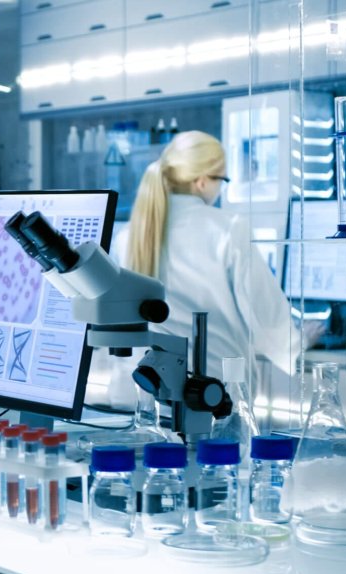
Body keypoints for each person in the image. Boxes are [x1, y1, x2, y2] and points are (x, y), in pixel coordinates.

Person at [112, 130, 307, 388]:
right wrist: (297, 344)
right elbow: (263, 311)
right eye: (222, 179)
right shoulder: (228, 229)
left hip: (139, 392)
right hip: (212, 394)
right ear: (202, 181)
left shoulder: (128, 234)